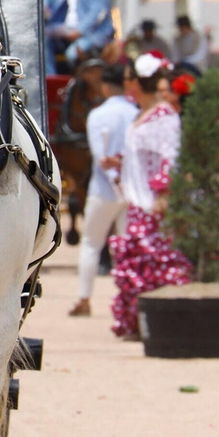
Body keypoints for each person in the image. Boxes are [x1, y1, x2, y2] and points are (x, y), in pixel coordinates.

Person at [108, 54, 191, 338]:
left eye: (127, 79)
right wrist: (118, 161)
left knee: (154, 257)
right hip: (137, 199)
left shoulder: (164, 116)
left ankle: (162, 323)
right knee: (138, 259)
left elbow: (170, 155)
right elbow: (140, 155)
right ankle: (141, 323)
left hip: (153, 202)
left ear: (136, 83)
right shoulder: (141, 115)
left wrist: (163, 193)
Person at [69, 65, 137, 317]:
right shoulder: (136, 112)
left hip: (104, 188)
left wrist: (112, 177)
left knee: (91, 244)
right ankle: (129, 298)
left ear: (106, 88)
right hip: (130, 189)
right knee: (127, 246)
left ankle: (85, 299)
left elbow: (100, 155)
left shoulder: (97, 115)